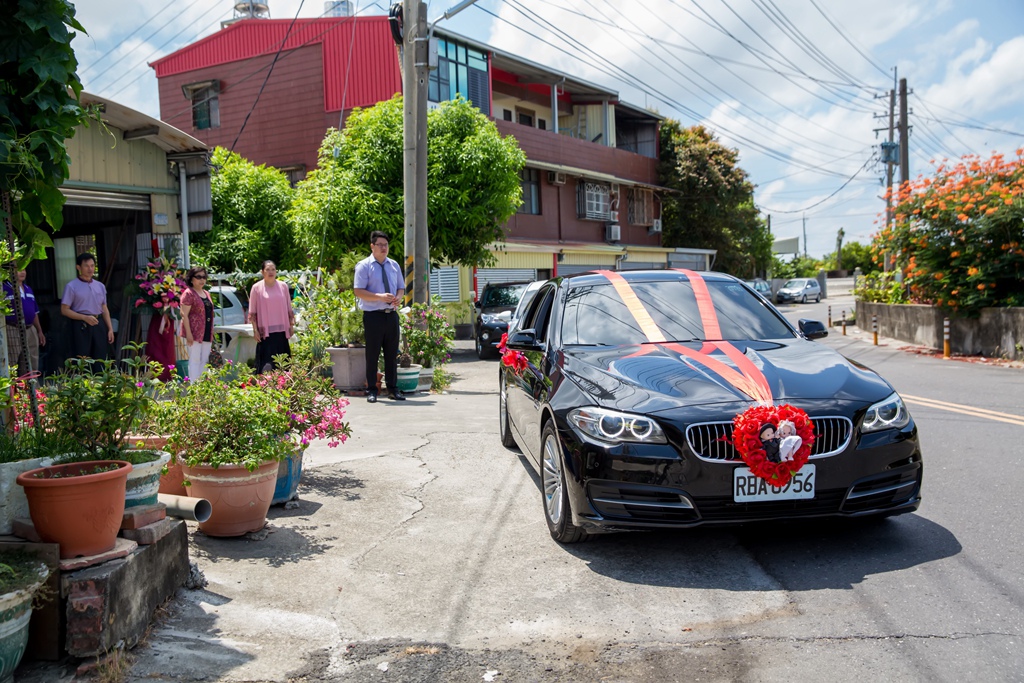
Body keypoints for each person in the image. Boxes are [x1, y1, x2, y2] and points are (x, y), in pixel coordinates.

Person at [353, 231, 405, 403]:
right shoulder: (364, 266)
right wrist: (379, 297)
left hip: (391, 315)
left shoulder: (394, 265)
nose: (384, 248)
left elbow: (400, 287)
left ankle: (392, 388)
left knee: (391, 354)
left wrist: (398, 297)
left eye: (386, 245)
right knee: (372, 354)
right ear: (372, 246)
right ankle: (372, 390)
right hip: (373, 316)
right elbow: (358, 291)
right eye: (380, 245)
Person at [60, 252, 114, 366]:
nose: (90, 269)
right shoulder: (71, 286)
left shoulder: (100, 286)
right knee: (82, 357)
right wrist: (84, 317)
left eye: (92, 265)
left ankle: (100, 382)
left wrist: (109, 328)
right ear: (78, 267)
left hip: (98, 323)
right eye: (86, 266)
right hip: (80, 324)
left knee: (100, 356)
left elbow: (104, 307)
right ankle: (84, 382)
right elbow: (64, 310)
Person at [248, 260, 294, 373]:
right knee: (267, 365)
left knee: (283, 364)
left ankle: (284, 385)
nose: (271, 272)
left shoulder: (283, 286)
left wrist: (291, 325)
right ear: (262, 272)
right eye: (267, 269)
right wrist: (255, 330)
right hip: (266, 333)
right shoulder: (256, 288)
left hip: (282, 331)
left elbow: (289, 307)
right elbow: (252, 312)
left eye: (273, 269)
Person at [4, 270, 46, 373]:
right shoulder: (4, 288)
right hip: (12, 328)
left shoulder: (28, 289)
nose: (22, 272)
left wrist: (39, 331)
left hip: (30, 328)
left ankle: (31, 386)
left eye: (24, 270)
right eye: (18, 270)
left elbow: (35, 312)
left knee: (32, 359)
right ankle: (12, 388)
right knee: (12, 360)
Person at [180, 266, 215, 381]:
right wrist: (189, 334)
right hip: (194, 332)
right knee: (195, 360)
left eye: (204, 277)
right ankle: (194, 388)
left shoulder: (206, 293)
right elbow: (184, 314)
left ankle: (203, 387)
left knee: (204, 360)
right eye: (198, 277)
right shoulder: (188, 293)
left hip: (207, 331)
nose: (202, 280)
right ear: (191, 279)